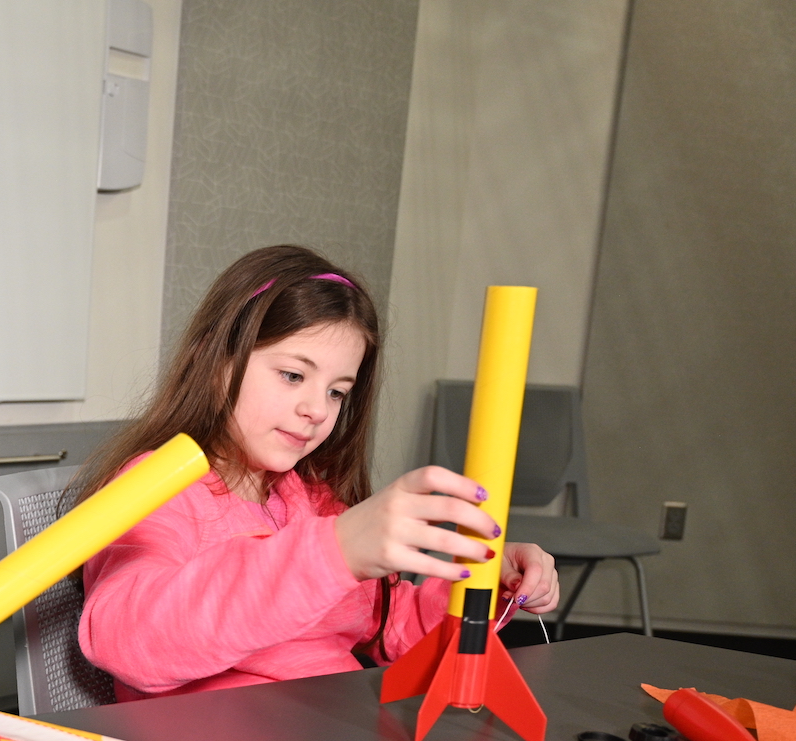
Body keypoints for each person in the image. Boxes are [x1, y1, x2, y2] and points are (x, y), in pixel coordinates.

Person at [76, 244, 560, 701]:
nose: (316, 409)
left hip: (328, 735)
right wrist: (334, 551)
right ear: (216, 358)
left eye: (337, 392)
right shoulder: (156, 489)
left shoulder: (308, 498)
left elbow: (392, 628)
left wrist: (484, 583)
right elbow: (126, 638)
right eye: (292, 375)